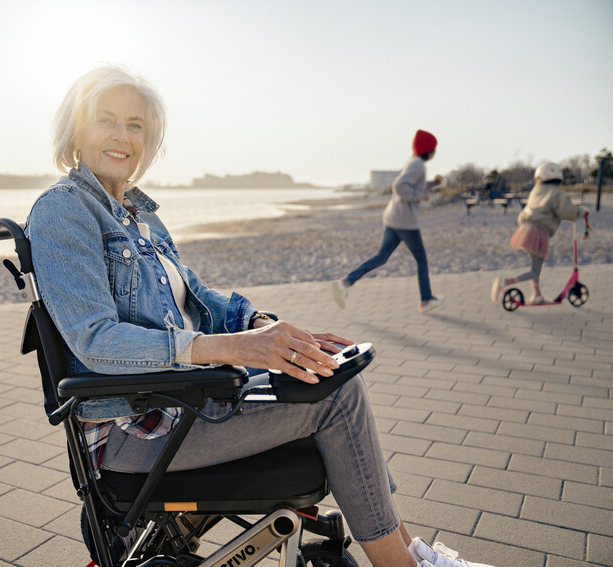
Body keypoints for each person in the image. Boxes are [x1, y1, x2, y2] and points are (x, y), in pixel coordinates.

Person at [25, 65, 495, 567]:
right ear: (77, 129)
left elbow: (200, 299)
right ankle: (405, 564)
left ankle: (413, 551)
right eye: (106, 120)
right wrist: (232, 349)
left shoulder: (140, 216)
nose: (122, 136)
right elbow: (95, 340)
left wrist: (264, 330)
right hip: (138, 427)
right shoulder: (64, 210)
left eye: (136, 125)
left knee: (324, 372)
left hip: (185, 399)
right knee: (336, 398)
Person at [331, 130, 445, 313]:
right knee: (422, 260)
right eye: (434, 148)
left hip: (393, 219)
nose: (435, 152)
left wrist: (432, 184)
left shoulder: (413, 162)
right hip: (405, 222)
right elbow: (399, 186)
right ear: (428, 150)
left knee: (382, 257)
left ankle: (345, 282)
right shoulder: (418, 165)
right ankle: (426, 301)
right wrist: (421, 195)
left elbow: (411, 184)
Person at [491, 162, 587, 304]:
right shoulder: (557, 194)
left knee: (536, 265)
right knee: (535, 271)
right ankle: (505, 282)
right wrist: (581, 212)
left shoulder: (536, 191)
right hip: (538, 233)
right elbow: (567, 212)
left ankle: (536, 295)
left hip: (525, 229)